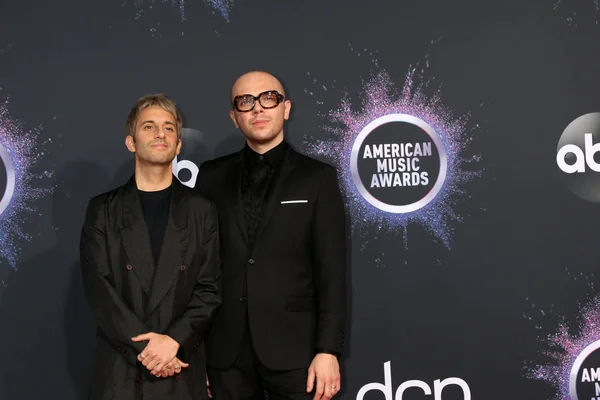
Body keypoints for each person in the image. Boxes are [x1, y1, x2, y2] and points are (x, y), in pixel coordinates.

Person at [195, 71, 347, 400]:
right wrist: (197, 354)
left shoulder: (317, 178)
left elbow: (332, 271)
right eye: (245, 102)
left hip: (297, 351)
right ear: (234, 118)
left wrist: (328, 350)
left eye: (269, 98)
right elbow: (199, 268)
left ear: (286, 108)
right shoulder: (209, 177)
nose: (258, 109)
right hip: (225, 352)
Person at [80, 94, 221, 400]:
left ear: (179, 145)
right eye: (149, 126)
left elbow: (209, 290)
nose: (161, 134)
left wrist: (173, 342)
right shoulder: (103, 209)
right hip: (121, 373)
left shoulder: (202, 210)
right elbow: (100, 290)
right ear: (131, 142)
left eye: (169, 128)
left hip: (180, 368)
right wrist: (149, 349)